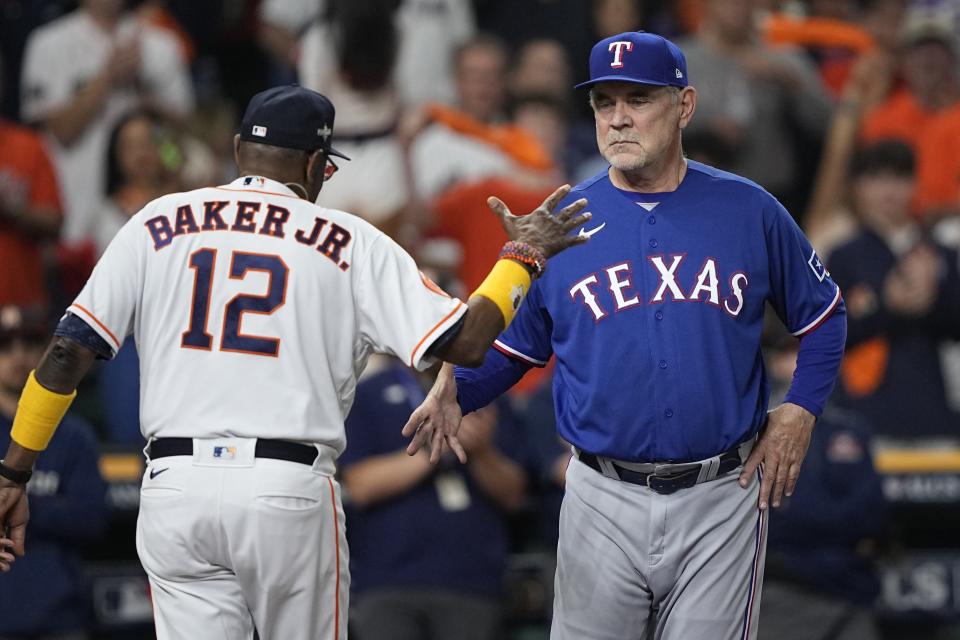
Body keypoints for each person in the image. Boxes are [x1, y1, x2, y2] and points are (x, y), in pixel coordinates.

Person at [0, 84, 590, 639]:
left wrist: (14, 473)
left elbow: (65, 351)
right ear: (314, 166)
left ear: (237, 152)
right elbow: (465, 343)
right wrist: (522, 255)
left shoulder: (156, 222)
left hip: (175, 488)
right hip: (285, 487)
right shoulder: (350, 240)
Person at [403, 31, 848, 640]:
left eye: (638, 99)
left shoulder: (751, 210)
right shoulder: (561, 225)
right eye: (603, 103)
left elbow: (823, 318)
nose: (618, 119)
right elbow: (517, 350)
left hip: (721, 494)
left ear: (684, 106)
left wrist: (800, 408)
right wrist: (458, 394)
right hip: (599, 496)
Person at [341, 356, 530, 640]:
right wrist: (438, 444)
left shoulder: (487, 393)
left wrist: (481, 451)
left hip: (472, 581)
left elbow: (515, 494)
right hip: (386, 583)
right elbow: (361, 486)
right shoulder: (367, 394)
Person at [0, 304, 107, 640]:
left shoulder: (75, 434)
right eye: (4, 346)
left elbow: (91, 519)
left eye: (30, 343)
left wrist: (17, 503)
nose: (19, 355)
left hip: (60, 614)